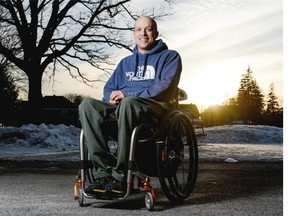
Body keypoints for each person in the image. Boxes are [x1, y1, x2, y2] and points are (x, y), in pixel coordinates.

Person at [78, 16, 182, 196]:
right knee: (87, 105)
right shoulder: (125, 63)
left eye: (148, 29)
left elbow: (166, 86)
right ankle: (103, 172)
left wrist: (128, 95)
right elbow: (110, 88)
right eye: (139, 29)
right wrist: (110, 98)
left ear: (155, 33)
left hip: (153, 110)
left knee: (128, 102)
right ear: (133, 34)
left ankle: (120, 174)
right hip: (124, 108)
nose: (143, 33)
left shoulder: (170, 57)